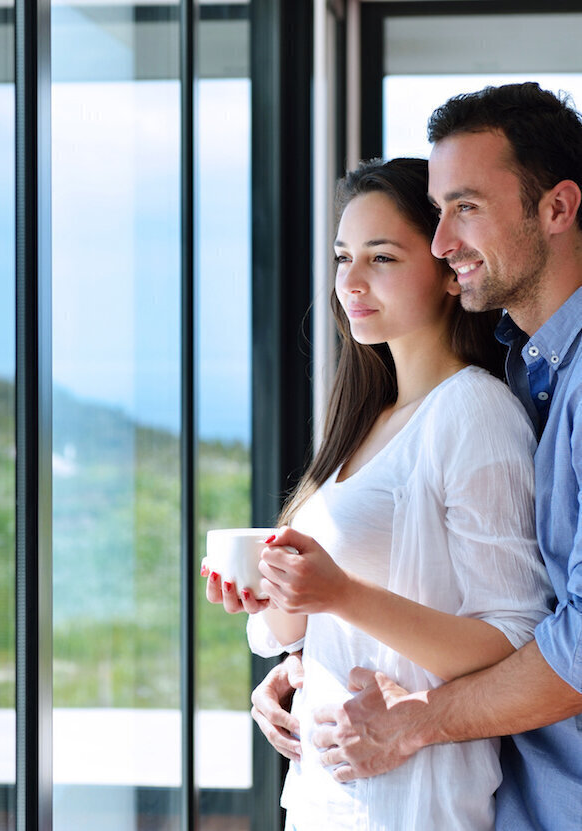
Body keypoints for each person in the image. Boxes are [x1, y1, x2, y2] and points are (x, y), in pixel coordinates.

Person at [253, 82, 582, 830]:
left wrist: (418, 716)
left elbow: (545, 635)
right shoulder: (526, 369)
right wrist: (309, 666)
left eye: (463, 207)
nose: (442, 241)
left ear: (557, 207)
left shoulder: (481, 402)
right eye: (436, 214)